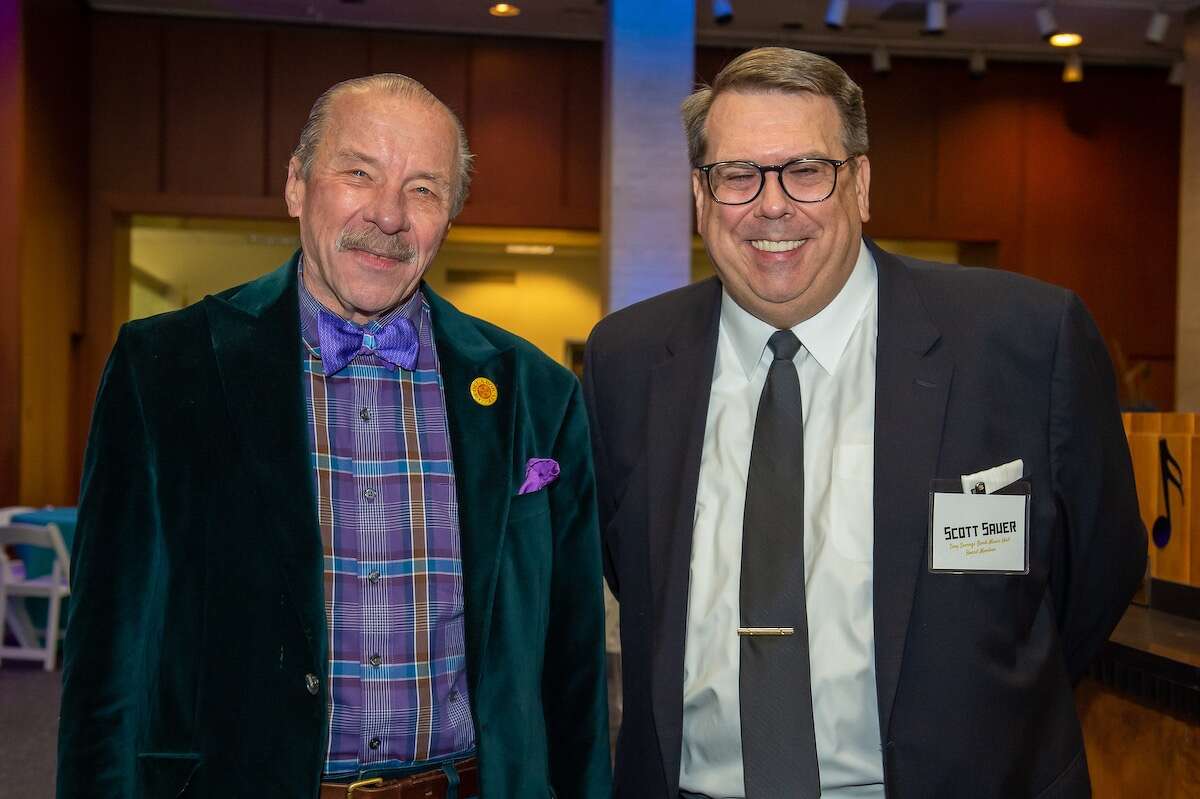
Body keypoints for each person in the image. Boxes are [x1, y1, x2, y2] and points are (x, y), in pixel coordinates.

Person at [583, 47, 1145, 799]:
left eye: (806, 170)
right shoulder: (627, 360)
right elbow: (629, 569)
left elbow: (1095, 575)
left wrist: (979, 724)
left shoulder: (1023, 340)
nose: (771, 205)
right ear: (700, 194)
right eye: (738, 175)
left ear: (862, 183)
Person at [57, 74, 611, 799]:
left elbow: (573, 672)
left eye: (423, 189)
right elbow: (107, 661)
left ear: (451, 215)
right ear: (296, 184)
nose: (387, 216)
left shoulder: (538, 394)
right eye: (358, 173)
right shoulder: (164, 369)